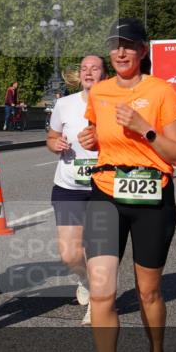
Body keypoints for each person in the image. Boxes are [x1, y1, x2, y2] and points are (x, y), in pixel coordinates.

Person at [74, 18, 176, 352]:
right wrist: (90, 138)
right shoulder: (100, 92)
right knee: (102, 291)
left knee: (149, 292)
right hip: (106, 193)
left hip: (151, 197)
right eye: (115, 46)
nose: (120, 52)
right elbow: (95, 133)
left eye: (129, 45)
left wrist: (146, 130)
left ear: (143, 50)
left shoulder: (161, 91)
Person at [46, 55, 107, 326]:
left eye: (94, 68)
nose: (88, 72)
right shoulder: (64, 104)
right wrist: (55, 143)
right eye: (84, 68)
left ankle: (98, 301)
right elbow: (50, 136)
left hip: (104, 186)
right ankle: (85, 280)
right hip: (69, 185)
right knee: (70, 254)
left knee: (97, 249)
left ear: (105, 74)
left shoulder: (114, 104)